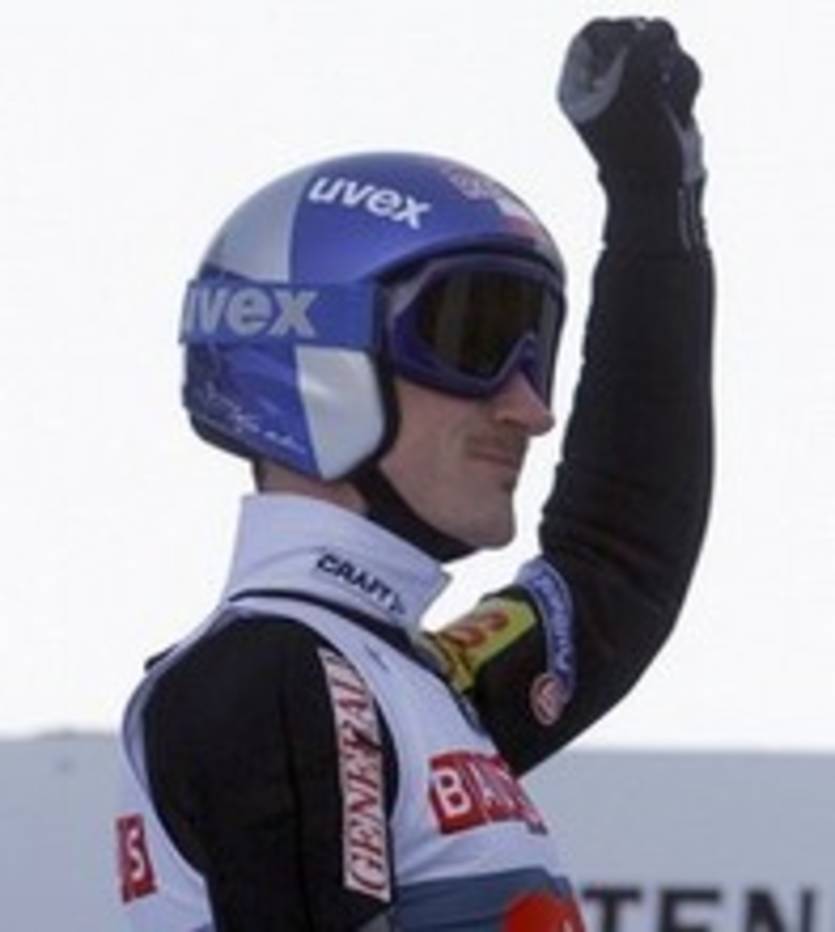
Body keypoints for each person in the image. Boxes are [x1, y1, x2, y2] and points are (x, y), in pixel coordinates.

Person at [115, 17, 713, 932]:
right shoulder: (282, 676)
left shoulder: (398, 678)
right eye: (473, 338)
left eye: (535, 350)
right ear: (316, 360)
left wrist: (653, 206)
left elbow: (617, 559)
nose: (528, 407)